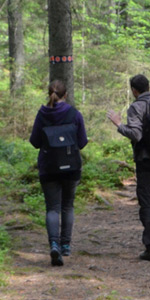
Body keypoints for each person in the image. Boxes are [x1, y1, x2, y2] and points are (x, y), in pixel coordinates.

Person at [107, 74, 150, 261]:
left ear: (134, 90)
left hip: (146, 160)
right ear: (148, 86)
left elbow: (136, 134)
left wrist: (119, 124)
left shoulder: (136, 107)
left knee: (148, 201)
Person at [29, 80, 88, 266]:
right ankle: (66, 246)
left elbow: (35, 142)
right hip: (71, 167)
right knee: (68, 206)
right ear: (66, 94)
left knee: (52, 208)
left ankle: (53, 243)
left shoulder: (42, 114)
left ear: (49, 94)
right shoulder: (74, 114)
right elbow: (82, 141)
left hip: (48, 167)